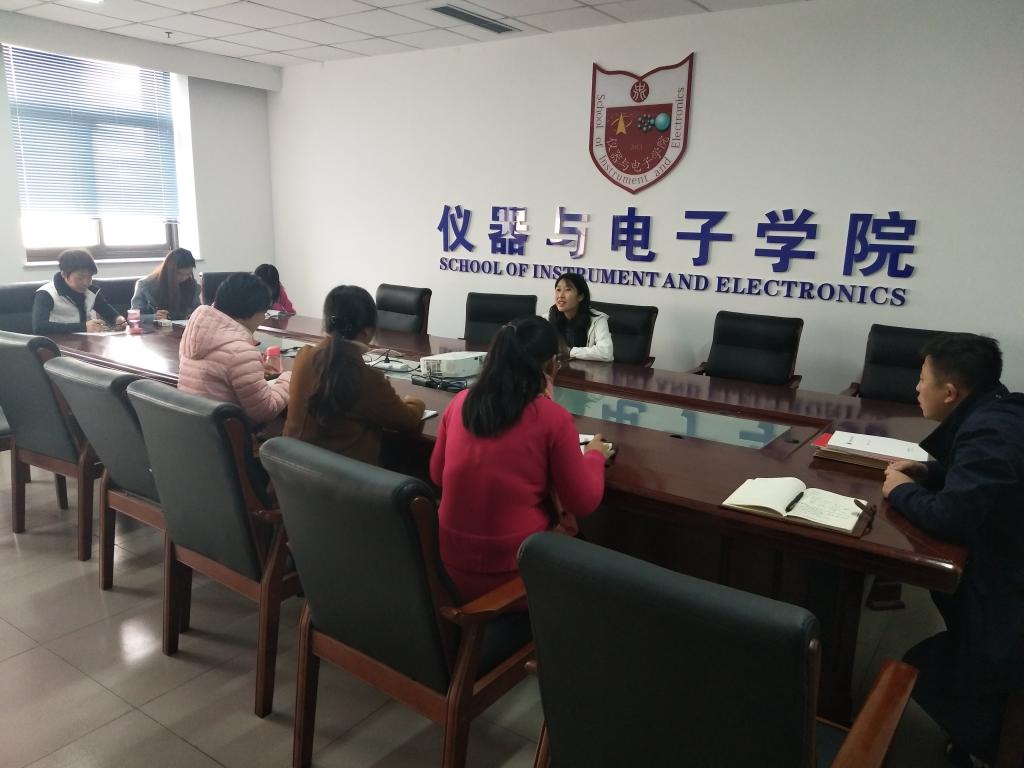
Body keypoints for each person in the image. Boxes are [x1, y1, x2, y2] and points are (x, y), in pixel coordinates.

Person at [882, 333, 1024, 767]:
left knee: (922, 671)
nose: (916, 388)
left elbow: (951, 517)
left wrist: (900, 490)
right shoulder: (997, 411)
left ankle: (996, 746)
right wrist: (930, 471)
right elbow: (985, 479)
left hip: (1009, 601)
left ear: (949, 392)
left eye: (922, 379)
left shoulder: (989, 432)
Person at [429, 315, 614, 601]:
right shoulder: (552, 417)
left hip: (447, 571)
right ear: (551, 365)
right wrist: (594, 455)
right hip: (514, 580)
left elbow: (437, 475)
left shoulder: (462, 401)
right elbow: (582, 502)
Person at [284, 285, 425, 464]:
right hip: (340, 478)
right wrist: (415, 401)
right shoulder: (364, 376)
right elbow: (407, 420)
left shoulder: (304, 356)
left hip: (289, 472)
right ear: (367, 332)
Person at [177, 272, 291, 427]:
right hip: (225, 436)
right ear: (253, 312)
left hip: (194, 429)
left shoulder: (194, 334)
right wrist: (288, 379)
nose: (263, 319)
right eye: (264, 313)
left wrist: (252, 370)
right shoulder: (241, 351)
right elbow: (265, 411)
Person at [32, 248, 126, 335]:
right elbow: (39, 327)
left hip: (86, 341)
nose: (86, 283)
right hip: (57, 344)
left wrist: (119, 320)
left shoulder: (90, 291)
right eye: (80, 278)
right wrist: (83, 327)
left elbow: (110, 314)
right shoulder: (46, 293)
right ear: (63, 274)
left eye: (89, 277)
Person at [547, 273, 613, 361]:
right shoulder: (547, 318)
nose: (560, 295)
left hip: (587, 369)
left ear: (580, 296)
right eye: (558, 290)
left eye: (567, 289)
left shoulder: (597, 320)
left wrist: (568, 351)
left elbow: (606, 353)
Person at [130, 247, 201, 320]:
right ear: (169, 271)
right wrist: (153, 317)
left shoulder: (192, 286)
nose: (184, 278)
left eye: (188, 274)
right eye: (179, 274)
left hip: (183, 327)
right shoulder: (145, 285)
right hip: (155, 327)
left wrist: (194, 315)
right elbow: (133, 317)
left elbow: (199, 311)